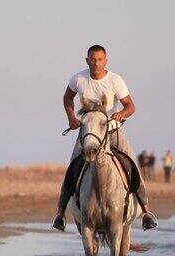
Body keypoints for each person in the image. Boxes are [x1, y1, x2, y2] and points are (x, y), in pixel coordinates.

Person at [52, 45, 158, 232]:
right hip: (88, 133)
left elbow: (130, 106)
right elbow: (67, 98)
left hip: (113, 131)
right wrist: (71, 118)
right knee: (72, 169)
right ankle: (60, 214)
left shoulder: (115, 80)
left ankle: (146, 212)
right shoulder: (79, 78)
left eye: (100, 59)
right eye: (93, 59)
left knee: (132, 165)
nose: (96, 63)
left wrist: (122, 114)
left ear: (106, 61)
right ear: (87, 60)